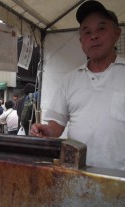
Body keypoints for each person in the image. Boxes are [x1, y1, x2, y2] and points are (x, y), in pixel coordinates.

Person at [30, 1, 124, 170]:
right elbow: (57, 125)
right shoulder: (70, 80)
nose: (93, 36)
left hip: (120, 179)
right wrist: (46, 131)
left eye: (101, 28)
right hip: (77, 175)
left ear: (117, 33)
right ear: (81, 41)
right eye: (87, 32)